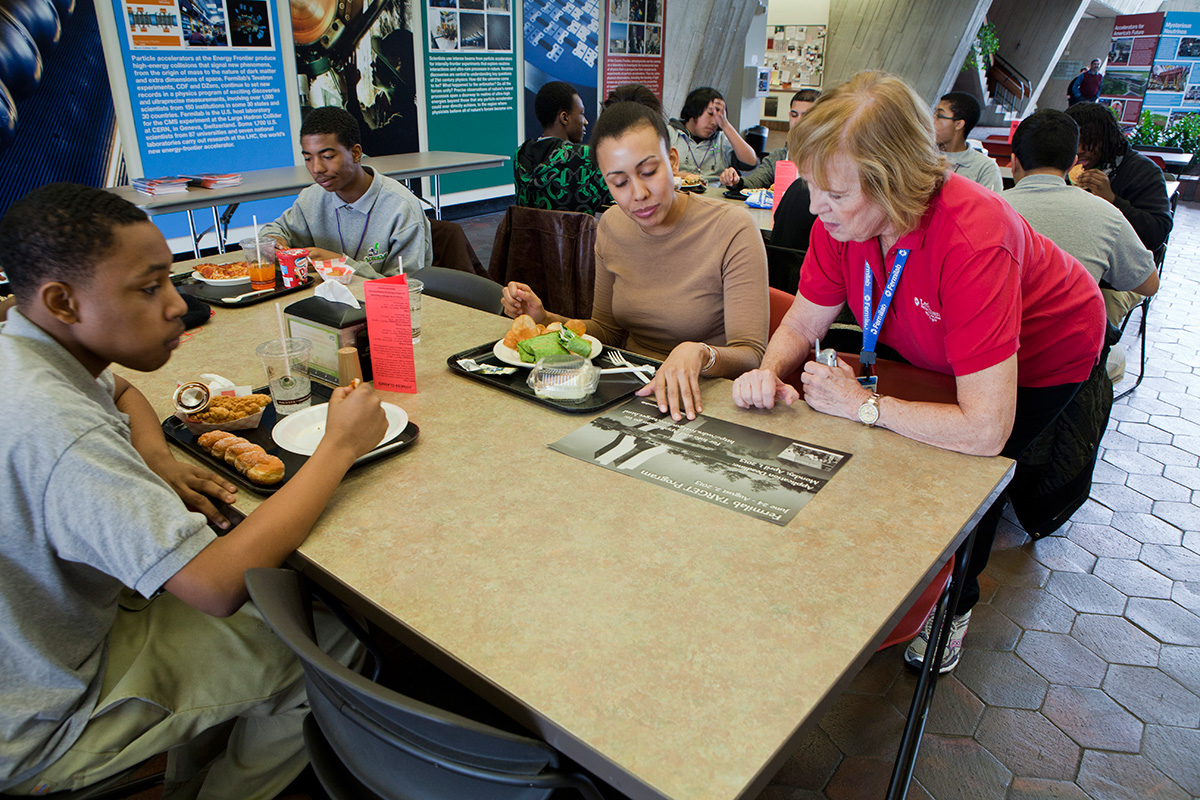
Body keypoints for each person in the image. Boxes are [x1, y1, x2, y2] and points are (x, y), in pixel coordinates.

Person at [0, 183, 388, 796]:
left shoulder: (29, 353)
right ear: (63, 302)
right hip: (42, 712)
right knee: (330, 644)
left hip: (50, 632)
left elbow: (121, 391)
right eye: (149, 288)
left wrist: (157, 457)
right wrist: (339, 447)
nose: (178, 305)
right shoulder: (60, 428)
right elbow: (215, 587)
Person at [730, 71, 1107, 674]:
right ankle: (874, 571)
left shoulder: (975, 236)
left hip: (1046, 348)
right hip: (931, 335)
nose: (815, 206)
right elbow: (802, 321)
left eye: (835, 193)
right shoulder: (841, 222)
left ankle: (954, 604)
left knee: (973, 478)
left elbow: (985, 430)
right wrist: (768, 371)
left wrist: (862, 404)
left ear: (894, 181)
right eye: (810, 184)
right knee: (900, 443)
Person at [503, 101, 769, 422]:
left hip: (705, 396)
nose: (639, 193)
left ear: (673, 161)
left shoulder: (732, 227)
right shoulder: (613, 225)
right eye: (620, 183)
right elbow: (608, 331)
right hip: (629, 387)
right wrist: (546, 319)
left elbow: (751, 354)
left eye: (649, 172)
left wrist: (701, 353)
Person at [1004, 109, 1158, 333]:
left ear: (1013, 162)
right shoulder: (1108, 214)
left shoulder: (983, 208)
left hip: (992, 340)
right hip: (1070, 344)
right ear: (1072, 165)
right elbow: (1149, 284)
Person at [259, 106, 433, 278]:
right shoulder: (311, 198)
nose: (316, 168)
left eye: (327, 157)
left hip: (379, 298)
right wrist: (274, 241)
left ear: (356, 153)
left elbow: (408, 287)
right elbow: (276, 230)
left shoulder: (401, 208)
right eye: (308, 158)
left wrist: (340, 264)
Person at [1065, 101, 1174, 255]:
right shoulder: (1062, 166)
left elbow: (1156, 234)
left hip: (1116, 261)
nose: (1080, 150)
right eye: (1074, 141)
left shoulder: (1143, 171)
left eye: (1089, 141)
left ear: (1107, 139)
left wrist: (1112, 200)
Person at [514, 81, 612, 215]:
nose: (586, 121)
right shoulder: (586, 156)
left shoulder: (521, 154)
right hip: (574, 230)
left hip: (530, 229)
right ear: (564, 118)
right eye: (582, 113)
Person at [722, 89, 820, 191]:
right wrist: (737, 181)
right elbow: (755, 181)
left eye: (806, 115)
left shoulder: (828, 159)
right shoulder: (779, 157)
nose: (798, 121)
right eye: (794, 115)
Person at [667, 87, 758, 183]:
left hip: (715, 190)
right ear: (693, 112)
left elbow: (751, 163)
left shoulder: (722, 139)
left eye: (719, 117)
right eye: (710, 114)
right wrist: (686, 176)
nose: (714, 122)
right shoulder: (670, 134)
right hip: (680, 189)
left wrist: (726, 125)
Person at [933, 92, 1002, 192]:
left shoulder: (985, 168)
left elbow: (991, 201)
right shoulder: (922, 156)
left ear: (958, 124)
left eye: (939, 116)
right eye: (933, 114)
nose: (932, 120)